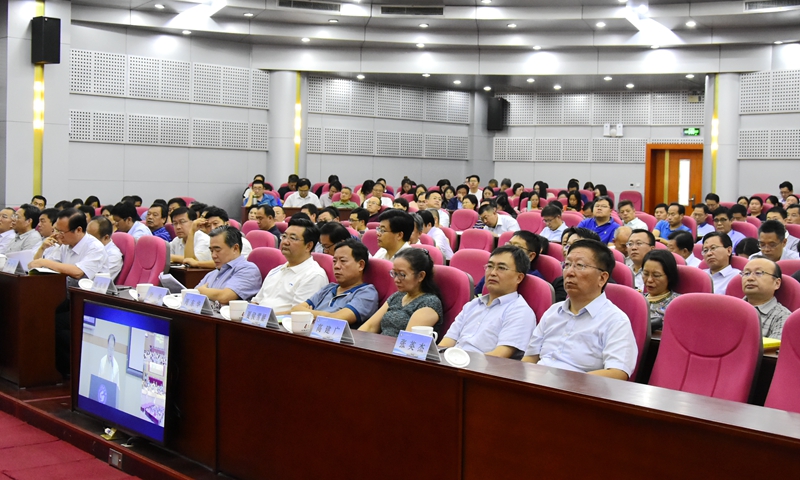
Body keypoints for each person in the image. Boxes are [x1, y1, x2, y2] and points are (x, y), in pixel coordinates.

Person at [523, 239, 637, 380]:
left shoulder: (615, 321)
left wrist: (566, 383)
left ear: (602, 278)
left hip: (577, 390)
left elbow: (617, 373)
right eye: (567, 264)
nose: (569, 272)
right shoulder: (553, 311)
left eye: (580, 266)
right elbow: (530, 357)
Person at [439, 246, 535, 358]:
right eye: (490, 266)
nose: (492, 273)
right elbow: (447, 342)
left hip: (481, 366)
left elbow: (499, 356)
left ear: (519, 278)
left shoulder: (520, 311)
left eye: (501, 268)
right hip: (452, 361)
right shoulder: (472, 304)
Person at [293, 239, 379, 328]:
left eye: (343, 261)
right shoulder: (328, 288)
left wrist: (308, 313)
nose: (336, 266)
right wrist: (325, 315)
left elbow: (335, 320)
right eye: (334, 261)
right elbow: (295, 310)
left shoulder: (367, 293)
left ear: (360, 265)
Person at [359, 248, 443, 337]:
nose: (396, 280)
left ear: (420, 276)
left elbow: (406, 340)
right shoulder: (398, 296)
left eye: (402, 274)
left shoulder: (429, 303)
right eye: (394, 273)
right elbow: (370, 326)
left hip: (395, 346)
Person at [252, 218, 329, 313]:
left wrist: (262, 316)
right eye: (284, 236)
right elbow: (256, 301)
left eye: (292, 238)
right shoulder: (276, 270)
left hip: (278, 322)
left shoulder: (314, 275)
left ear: (308, 246)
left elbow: (298, 314)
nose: (285, 242)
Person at [29, 208, 107, 279]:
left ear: (78, 230)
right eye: (57, 230)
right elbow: (47, 266)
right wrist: (41, 255)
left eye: (61, 232)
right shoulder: (65, 245)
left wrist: (45, 262)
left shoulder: (95, 247)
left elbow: (78, 272)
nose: (58, 235)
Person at [196, 226, 262, 305]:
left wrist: (202, 291)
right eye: (211, 251)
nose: (213, 255)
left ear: (235, 248)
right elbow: (191, 296)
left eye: (217, 250)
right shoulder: (212, 274)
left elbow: (225, 297)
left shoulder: (248, 270)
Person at [473, 231, 546, 295]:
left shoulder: (536, 280)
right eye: (509, 245)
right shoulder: (494, 270)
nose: (510, 250)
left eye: (517, 247)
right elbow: (477, 294)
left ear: (531, 256)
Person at [741, 256, 790, 339]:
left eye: (758, 273)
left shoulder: (783, 317)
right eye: (746, 273)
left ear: (777, 283)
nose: (750, 278)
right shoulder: (731, 310)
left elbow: (775, 347)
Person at [641, 250, 681, 331]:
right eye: (645, 274)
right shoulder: (636, 299)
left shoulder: (678, 304)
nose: (649, 280)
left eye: (656, 275)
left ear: (669, 276)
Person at [87, 216, 123, 281]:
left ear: (106, 238)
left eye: (92, 238)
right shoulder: (90, 247)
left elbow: (98, 280)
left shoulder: (113, 256)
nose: (88, 240)